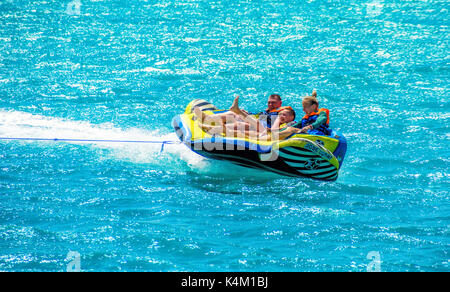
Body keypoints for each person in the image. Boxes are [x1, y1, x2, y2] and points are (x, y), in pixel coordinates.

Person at [197, 96, 299, 141]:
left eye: (274, 103)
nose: (271, 104)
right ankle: (207, 119)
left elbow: (279, 130)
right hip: (260, 126)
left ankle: (216, 128)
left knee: (242, 124)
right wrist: (248, 113)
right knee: (233, 114)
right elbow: (259, 115)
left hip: (264, 130)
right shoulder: (268, 112)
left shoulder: (289, 122)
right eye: (269, 102)